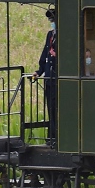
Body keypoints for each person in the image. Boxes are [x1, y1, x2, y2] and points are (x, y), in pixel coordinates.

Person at [33, 8, 57, 143]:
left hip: (58, 78)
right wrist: (40, 70)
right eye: (50, 20)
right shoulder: (50, 35)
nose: (51, 22)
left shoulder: (65, 35)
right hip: (49, 77)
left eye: (53, 20)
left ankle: (57, 137)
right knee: (51, 108)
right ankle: (51, 136)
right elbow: (45, 53)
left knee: (57, 108)